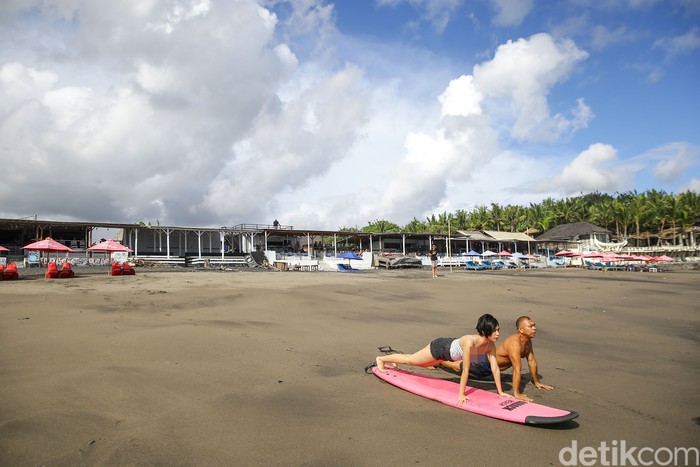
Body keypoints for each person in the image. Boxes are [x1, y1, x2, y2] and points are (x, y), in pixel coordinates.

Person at [375, 314, 510, 405]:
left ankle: (395, 360)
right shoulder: (471, 342)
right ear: (486, 330)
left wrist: (501, 392)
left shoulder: (489, 345)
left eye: (498, 330)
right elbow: (466, 369)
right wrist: (461, 394)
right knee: (413, 361)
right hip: (440, 348)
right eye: (495, 331)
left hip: (448, 356)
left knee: (415, 359)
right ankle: (381, 359)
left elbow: (495, 368)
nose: (498, 333)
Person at [441, 315, 554, 402]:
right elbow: (516, 369)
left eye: (534, 325)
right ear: (521, 330)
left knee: (463, 359)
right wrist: (517, 393)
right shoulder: (514, 343)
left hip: (488, 356)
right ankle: (440, 362)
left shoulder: (527, 342)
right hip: (484, 364)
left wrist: (537, 382)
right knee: (457, 366)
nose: (534, 328)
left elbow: (531, 361)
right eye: (530, 326)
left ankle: (442, 360)